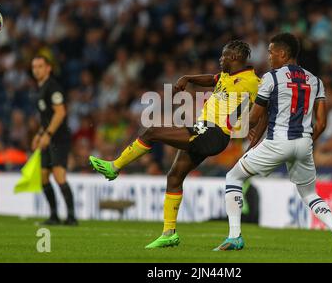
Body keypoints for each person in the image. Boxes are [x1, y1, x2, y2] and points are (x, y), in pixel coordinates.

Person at [89, 40, 260, 248]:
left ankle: (114, 167)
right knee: (174, 176)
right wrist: (187, 78)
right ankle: (169, 233)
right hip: (205, 129)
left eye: (223, 56)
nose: (220, 59)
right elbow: (212, 79)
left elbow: (263, 103)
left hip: (214, 133)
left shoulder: (252, 81)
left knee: (152, 131)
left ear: (233, 58)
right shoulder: (227, 74)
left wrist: (249, 122)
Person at [213, 33, 332, 252]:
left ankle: (235, 237)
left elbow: (253, 118)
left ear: (283, 53)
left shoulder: (271, 78)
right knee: (310, 193)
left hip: (277, 141)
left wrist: (229, 120)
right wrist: (307, 141)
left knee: (234, 176)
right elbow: (322, 123)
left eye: (271, 52)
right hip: (303, 143)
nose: (269, 56)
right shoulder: (315, 81)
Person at [31, 55, 77, 226]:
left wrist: (48, 134)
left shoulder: (53, 88)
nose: (36, 69)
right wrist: (39, 134)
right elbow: (47, 117)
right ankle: (54, 216)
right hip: (48, 137)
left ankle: (71, 217)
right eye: (34, 66)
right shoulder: (40, 88)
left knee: (59, 176)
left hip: (58, 138)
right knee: (43, 176)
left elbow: (60, 113)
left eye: (40, 66)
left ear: (48, 68)